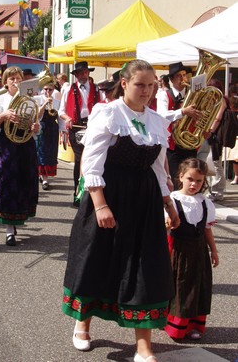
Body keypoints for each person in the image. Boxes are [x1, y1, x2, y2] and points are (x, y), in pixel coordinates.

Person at [62, 60, 180, 362]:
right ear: (124, 84)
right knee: (97, 259)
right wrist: (100, 204)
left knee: (146, 267)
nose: (147, 90)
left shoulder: (155, 120)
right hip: (109, 194)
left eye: (152, 85)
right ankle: (82, 324)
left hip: (144, 200)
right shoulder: (108, 113)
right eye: (141, 84)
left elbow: (157, 168)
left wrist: (168, 203)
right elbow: (91, 162)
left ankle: (143, 347)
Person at [0, 66, 40, 246]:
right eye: (12, 79)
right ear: (5, 82)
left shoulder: (30, 100)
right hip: (5, 147)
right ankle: (9, 230)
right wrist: (3, 115)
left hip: (25, 147)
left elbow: (34, 125)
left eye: (18, 79)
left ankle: (17, 220)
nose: (16, 82)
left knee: (24, 183)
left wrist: (35, 128)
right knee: (6, 184)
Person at [164, 158, 219, 340]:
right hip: (178, 250)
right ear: (180, 177)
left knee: (198, 286)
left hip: (198, 251)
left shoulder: (205, 203)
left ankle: (194, 325)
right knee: (179, 287)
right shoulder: (172, 200)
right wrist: (167, 223)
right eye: (190, 179)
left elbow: (207, 229)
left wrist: (214, 250)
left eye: (199, 181)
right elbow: (164, 226)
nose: (194, 184)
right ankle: (176, 327)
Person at [58, 61, 101, 205]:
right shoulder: (68, 89)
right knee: (79, 160)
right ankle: (77, 193)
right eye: (79, 73)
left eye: (84, 72)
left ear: (88, 73)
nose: (82, 75)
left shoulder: (97, 89)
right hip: (76, 128)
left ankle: (92, 194)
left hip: (93, 127)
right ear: (75, 75)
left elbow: (102, 107)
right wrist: (67, 118)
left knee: (93, 159)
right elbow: (61, 111)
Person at [156, 61, 202, 187]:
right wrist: (183, 111)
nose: (183, 79)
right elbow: (162, 115)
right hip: (173, 145)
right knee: (176, 179)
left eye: (184, 75)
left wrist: (205, 127)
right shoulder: (163, 95)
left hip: (190, 143)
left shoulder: (193, 95)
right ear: (171, 79)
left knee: (191, 176)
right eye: (179, 76)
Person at [34, 77, 65, 190]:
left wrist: (63, 130)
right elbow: (37, 116)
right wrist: (44, 104)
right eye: (46, 89)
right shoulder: (37, 99)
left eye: (50, 90)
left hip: (52, 128)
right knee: (42, 153)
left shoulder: (57, 102)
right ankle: (44, 178)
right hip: (41, 127)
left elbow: (60, 118)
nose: (48, 92)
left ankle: (45, 176)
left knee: (51, 153)